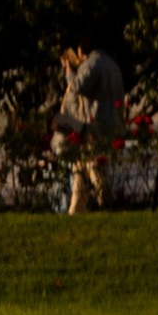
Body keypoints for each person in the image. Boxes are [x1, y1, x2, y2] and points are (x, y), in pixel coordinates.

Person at [56, 43, 123, 214]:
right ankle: (76, 209)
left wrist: (69, 71)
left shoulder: (92, 63)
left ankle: (106, 201)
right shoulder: (112, 64)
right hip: (109, 121)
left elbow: (78, 86)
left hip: (93, 123)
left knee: (92, 165)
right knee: (80, 166)